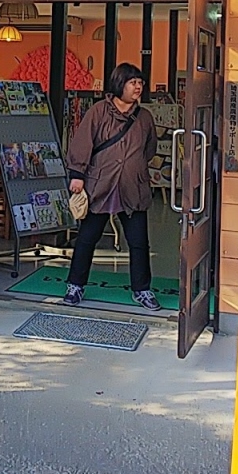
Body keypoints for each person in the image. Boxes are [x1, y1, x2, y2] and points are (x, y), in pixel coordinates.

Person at [63, 62, 160, 310]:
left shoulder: (145, 117)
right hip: (100, 184)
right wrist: (77, 174)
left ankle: (142, 290)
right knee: (87, 238)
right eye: (132, 82)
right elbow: (82, 141)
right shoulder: (98, 111)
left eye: (140, 83)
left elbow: (149, 149)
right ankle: (75, 285)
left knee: (139, 242)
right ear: (119, 84)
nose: (138, 87)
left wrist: (132, 166)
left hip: (132, 186)